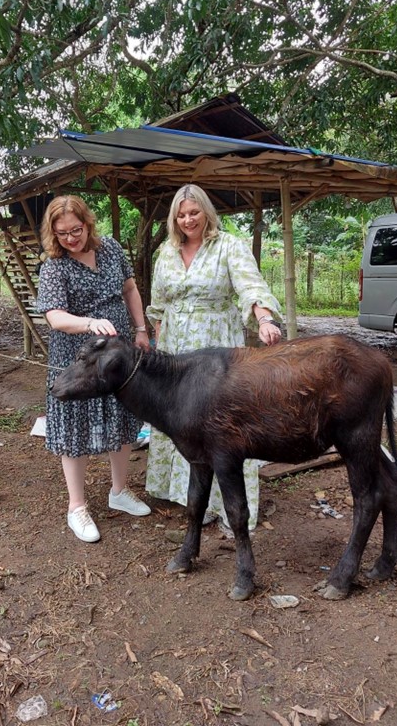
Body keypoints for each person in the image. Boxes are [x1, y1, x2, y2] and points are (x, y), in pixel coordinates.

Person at [145, 184, 282, 532]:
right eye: (181, 214)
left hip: (216, 346)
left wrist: (264, 318)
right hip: (176, 347)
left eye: (194, 212)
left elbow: (251, 286)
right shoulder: (166, 251)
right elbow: (158, 304)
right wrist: (160, 344)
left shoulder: (228, 247)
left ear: (206, 211)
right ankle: (191, 499)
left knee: (222, 424)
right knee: (182, 420)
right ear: (174, 218)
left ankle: (230, 508)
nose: (188, 219)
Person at [36, 195, 151, 542]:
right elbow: (55, 317)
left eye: (76, 230)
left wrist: (141, 328)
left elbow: (129, 288)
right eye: (62, 234)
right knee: (76, 426)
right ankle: (77, 507)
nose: (71, 238)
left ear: (87, 223)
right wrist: (89, 323)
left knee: (122, 416)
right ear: (53, 235)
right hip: (77, 357)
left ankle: (119, 492)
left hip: (119, 353)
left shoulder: (112, 248)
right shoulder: (54, 266)